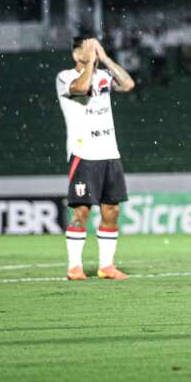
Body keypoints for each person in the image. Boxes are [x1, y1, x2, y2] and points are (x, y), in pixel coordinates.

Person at [56, 35, 136, 281]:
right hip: (84, 154)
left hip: (109, 153)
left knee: (111, 210)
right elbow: (81, 88)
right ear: (76, 55)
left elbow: (128, 84)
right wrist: (90, 62)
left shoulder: (103, 76)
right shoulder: (65, 77)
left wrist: (105, 58)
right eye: (87, 49)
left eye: (95, 48)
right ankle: (74, 267)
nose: (93, 52)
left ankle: (106, 266)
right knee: (81, 211)